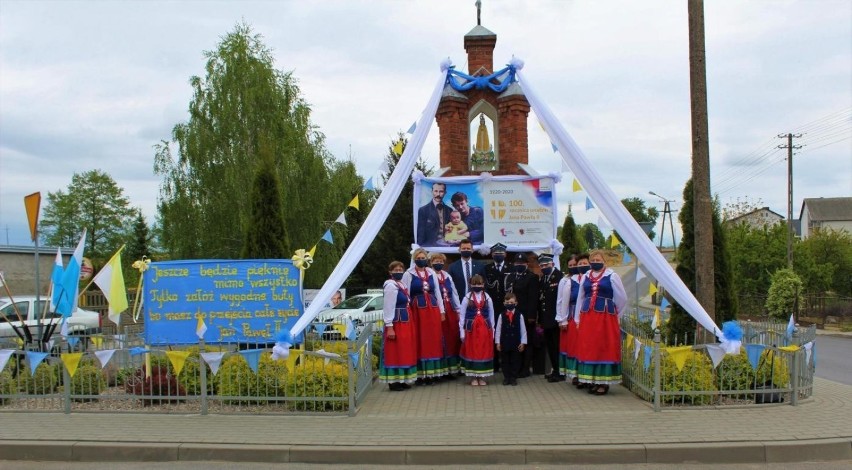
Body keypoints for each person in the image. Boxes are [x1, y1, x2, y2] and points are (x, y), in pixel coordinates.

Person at [573, 250, 627, 395]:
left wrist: (615, 313)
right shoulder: (586, 276)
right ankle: (592, 380)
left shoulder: (612, 276)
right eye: (593, 260)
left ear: (605, 261)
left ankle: (603, 382)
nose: (595, 261)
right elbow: (580, 297)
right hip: (588, 316)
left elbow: (622, 298)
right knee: (590, 347)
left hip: (605, 317)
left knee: (603, 346)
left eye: (598, 259)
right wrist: (577, 318)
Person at [402, 248, 447, 383]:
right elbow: (406, 294)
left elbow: (437, 292)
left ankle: (433, 373)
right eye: (419, 258)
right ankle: (421, 375)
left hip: (432, 310)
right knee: (420, 340)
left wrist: (442, 311)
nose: (421, 260)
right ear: (415, 259)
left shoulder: (431, 272)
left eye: (423, 258)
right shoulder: (408, 274)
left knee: (433, 340)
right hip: (417, 310)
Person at [379, 261, 417, 391]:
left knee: (404, 350)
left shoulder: (401, 284)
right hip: (397, 322)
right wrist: (390, 326)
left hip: (405, 321)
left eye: (401, 269)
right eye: (395, 269)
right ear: (390, 272)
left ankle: (402, 379)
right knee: (395, 351)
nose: (399, 271)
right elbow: (388, 306)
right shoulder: (390, 285)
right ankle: (393, 381)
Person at [505, 252, 540, 377]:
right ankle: (516, 367)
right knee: (516, 341)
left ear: (527, 264)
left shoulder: (532, 277)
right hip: (513, 315)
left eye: (522, 263)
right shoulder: (511, 276)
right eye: (517, 263)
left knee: (527, 342)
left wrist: (531, 316)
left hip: (526, 315)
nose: (519, 265)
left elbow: (533, 298)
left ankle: (525, 369)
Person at [556, 254, 588, 387]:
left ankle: (587, 375)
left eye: (577, 265)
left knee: (586, 347)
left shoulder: (590, 278)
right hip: (573, 316)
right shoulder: (568, 281)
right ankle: (576, 375)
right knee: (575, 347)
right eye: (572, 266)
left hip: (588, 317)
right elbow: (562, 301)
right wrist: (562, 319)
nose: (575, 268)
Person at [458, 274, 495, 386]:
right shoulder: (467, 298)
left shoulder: (487, 297)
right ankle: (474, 377)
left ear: (483, 285)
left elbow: (491, 314)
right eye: (474, 284)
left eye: (479, 284)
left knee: (483, 351)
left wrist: (492, 330)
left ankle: (482, 377)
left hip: (484, 329)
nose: (477, 285)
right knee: (473, 351)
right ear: (470, 285)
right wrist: (461, 332)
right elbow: (462, 316)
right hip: (471, 330)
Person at [430, 252, 462, 377]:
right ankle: (441, 369)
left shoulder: (447, 275)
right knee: (440, 338)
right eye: (436, 261)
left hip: (450, 309)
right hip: (438, 309)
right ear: (431, 262)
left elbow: (454, 293)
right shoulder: (429, 275)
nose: (439, 263)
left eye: (441, 261)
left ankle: (452, 368)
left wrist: (458, 310)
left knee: (452, 338)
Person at [536, 253, 564, 383]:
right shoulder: (543, 279)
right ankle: (555, 370)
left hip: (556, 319)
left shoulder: (559, 277)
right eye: (541, 265)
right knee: (550, 347)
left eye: (546, 265)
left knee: (557, 346)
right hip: (546, 320)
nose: (543, 267)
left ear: (552, 264)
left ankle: (560, 372)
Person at [484, 242, 511, 372]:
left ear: (505, 254)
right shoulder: (487, 268)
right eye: (495, 253)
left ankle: (506, 365)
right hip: (492, 308)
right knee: (493, 335)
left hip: (507, 308)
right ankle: (494, 364)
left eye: (500, 253)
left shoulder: (510, 268)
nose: (498, 255)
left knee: (506, 335)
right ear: (492, 254)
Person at [495, 292, 527, 386]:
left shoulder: (519, 315)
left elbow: (523, 329)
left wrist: (523, 342)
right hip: (504, 342)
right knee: (505, 361)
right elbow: (498, 330)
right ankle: (506, 377)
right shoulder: (501, 315)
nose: (510, 304)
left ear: (516, 303)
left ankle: (513, 377)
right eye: (507, 302)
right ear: (504, 303)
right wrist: (498, 342)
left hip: (515, 342)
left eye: (511, 302)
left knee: (515, 360)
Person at [416, 183, 453, 247]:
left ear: (445, 192)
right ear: (432, 191)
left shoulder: (450, 210)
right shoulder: (423, 210)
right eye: (436, 191)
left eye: (441, 191)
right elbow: (421, 233)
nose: (438, 194)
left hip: (447, 246)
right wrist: (420, 248)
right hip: (431, 247)